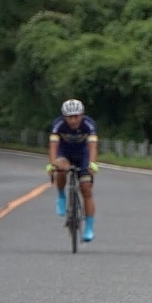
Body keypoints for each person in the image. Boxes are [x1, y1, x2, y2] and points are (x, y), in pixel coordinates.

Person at [46, 98, 99, 242]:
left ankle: (89, 228)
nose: (73, 120)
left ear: (82, 115)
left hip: (83, 155)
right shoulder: (58, 125)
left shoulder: (89, 124)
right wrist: (51, 165)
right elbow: (53, 146)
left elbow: (93, 146)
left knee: (86, 189)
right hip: (65, 154)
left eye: (76, 116)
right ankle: (61, 196)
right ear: (64, 117)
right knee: (61, 168)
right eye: (70, 117)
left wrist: (92, 164)